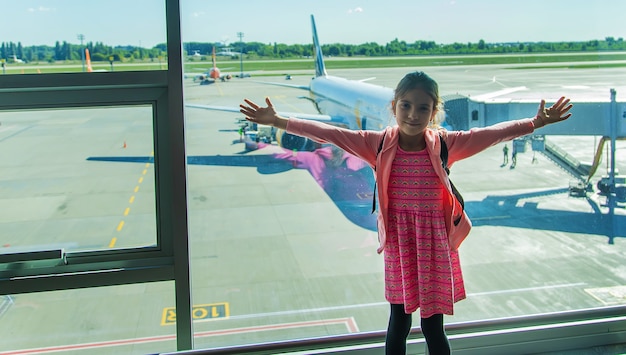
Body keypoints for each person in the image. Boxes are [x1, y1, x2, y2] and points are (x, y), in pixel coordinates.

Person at [239, 71, 573, 355]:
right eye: (406, 106)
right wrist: (279, 121)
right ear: (394, 106)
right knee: (398, 321)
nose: (413, 114)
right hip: (400, 246)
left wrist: (535, 123)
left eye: (423, 108)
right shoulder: (378, 144)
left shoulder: (445, 145)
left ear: (434, 111)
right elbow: (329, 133)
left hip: (434, 247)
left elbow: (491, 134)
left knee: (432, 326)